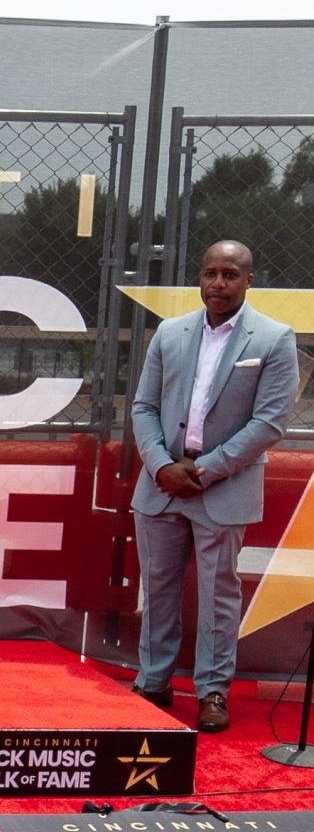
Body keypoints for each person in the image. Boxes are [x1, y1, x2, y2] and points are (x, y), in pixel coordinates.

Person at [130, 238, 299, 731]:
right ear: (200, 279)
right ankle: (153, 682)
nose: (217, 283)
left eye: (229, 274)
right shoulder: (170, 333)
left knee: (218, 595)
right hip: (161, 486)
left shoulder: (273, 339)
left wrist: (204, 471)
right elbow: (142, 407)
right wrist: (162, 466)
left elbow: (269, 424)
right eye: (210, 273)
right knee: (158, 590)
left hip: (222, 488)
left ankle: (212, 692)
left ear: (249, 280)